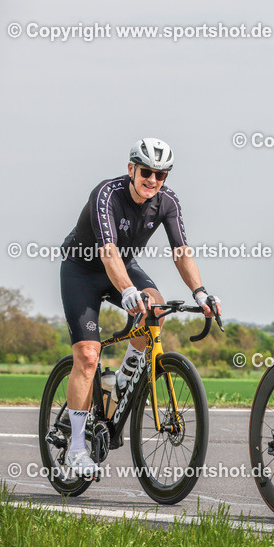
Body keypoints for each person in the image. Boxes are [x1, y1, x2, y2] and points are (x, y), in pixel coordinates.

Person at [59, 138, 221, 476]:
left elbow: (181, 251)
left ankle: (124, 376)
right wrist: (128, 290)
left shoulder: (166, 201)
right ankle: (76, 449)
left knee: (156, 309)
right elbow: (107, 251)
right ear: (131, 169)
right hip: (84, 269)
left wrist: (201, 292)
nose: (153, 180)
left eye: (161, 175)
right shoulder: (107, 194)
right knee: (88, 356)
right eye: (147, 172)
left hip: (123, 266)